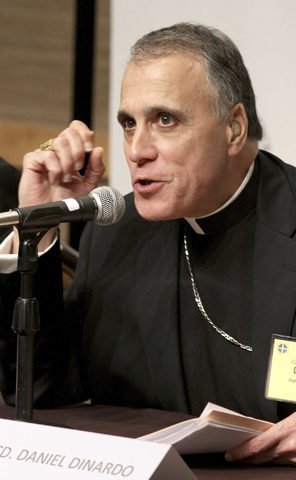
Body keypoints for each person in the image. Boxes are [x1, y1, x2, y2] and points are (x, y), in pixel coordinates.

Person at [0, 22, 296, 465]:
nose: (137, 149)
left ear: (234, 128)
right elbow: (42, 390)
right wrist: (40, 228)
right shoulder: (116, 231)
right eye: (127, 124)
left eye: (165, 120)